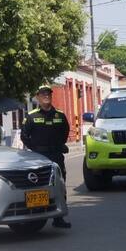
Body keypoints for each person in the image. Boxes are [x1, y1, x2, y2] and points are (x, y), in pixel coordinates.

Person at [20, 85, 72, 229]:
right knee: (39, 186)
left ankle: (58, 218)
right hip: (39, 157)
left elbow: (65, 131)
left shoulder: (59, 115)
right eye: (43, 94)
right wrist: (35, 149)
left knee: (60, 185)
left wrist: (59, 144)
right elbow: (24, 136)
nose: (46, 96)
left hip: (56, 155)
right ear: (37, 97)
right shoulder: (32, 116)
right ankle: (36, 215)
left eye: (48, 94)